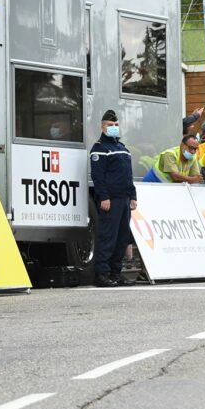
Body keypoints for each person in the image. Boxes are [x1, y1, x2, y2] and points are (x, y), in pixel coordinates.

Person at [90, 110, 137, 287]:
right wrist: (104, 197)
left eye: (116, 125)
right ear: (102, 127)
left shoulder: (123, 149)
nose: (114, 128)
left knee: (122, 238)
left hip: (124, 199)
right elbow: (98, 176)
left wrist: (133, 196)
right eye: (110, 125)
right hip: (110, 199)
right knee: (107, 237)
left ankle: (116, 273)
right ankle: (102, 274)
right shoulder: (100, 148)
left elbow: (128, 175)